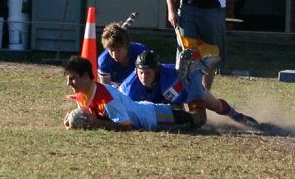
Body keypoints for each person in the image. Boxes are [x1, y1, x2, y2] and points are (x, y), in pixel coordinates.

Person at [119, 50, 261, 129]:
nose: (144, 77)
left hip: (185, 85)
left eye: (148, 72)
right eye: (140, 72)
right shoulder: (129, 87)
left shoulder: (169, 79)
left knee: (215, 105)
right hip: (168, 92)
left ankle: (241, 118)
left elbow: (178, 107)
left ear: (156, 70)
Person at [63, 56, 206, 131]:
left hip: (153, 117)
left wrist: (96, 123)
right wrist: (73, 119)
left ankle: (195, 74)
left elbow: (126, 126)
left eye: (73, 78)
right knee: (181, 113)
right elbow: (88, 115)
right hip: (143, 109)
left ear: (87, 77)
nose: (69, 83)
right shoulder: (82, 95)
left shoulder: (106, 99)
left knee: (198, 120)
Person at [165, 0, 247, 90]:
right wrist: (171, 10)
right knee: (185, 54)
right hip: (187, 10)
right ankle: (181, 95)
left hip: (214, 11)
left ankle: (204, 94)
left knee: (212, 54)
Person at [98, 22, 149, 87]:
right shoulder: (104, 61)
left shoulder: (141, 53)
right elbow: (106, 89)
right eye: (111, 50)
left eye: (118, 50)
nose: (114, 55)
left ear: (126, 46)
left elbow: (150, 80)